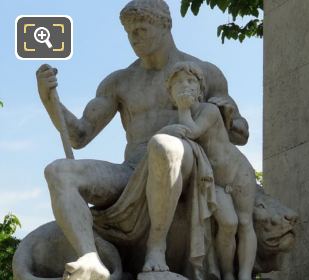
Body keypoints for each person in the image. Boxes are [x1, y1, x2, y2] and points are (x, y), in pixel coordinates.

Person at [36, 0, 249, 279]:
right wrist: (49, 100)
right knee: (58, 171)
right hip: (132, 169)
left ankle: (156, 250)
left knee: (162, 145)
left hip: (187, 164)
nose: (134, 38)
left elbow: (240, 134)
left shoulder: (203, 72)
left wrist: (230, 116)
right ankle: (90, 258)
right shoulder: (120, 81)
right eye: (129, 32)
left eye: (141, 29)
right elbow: (79, 135)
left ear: (165, 25)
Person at [165, 61, 257, 280]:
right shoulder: (179, 117)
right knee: (228, 224)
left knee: (245, 222)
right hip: (214, 180)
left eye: (190, 81)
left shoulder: (209, 110)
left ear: (200, 89)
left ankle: (243, 275)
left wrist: (182, 110)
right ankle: (227, 273)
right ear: (170, 93)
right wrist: (175, 119)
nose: (184, 86)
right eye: (177, 84)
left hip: (238, 171)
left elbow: (192, 131)